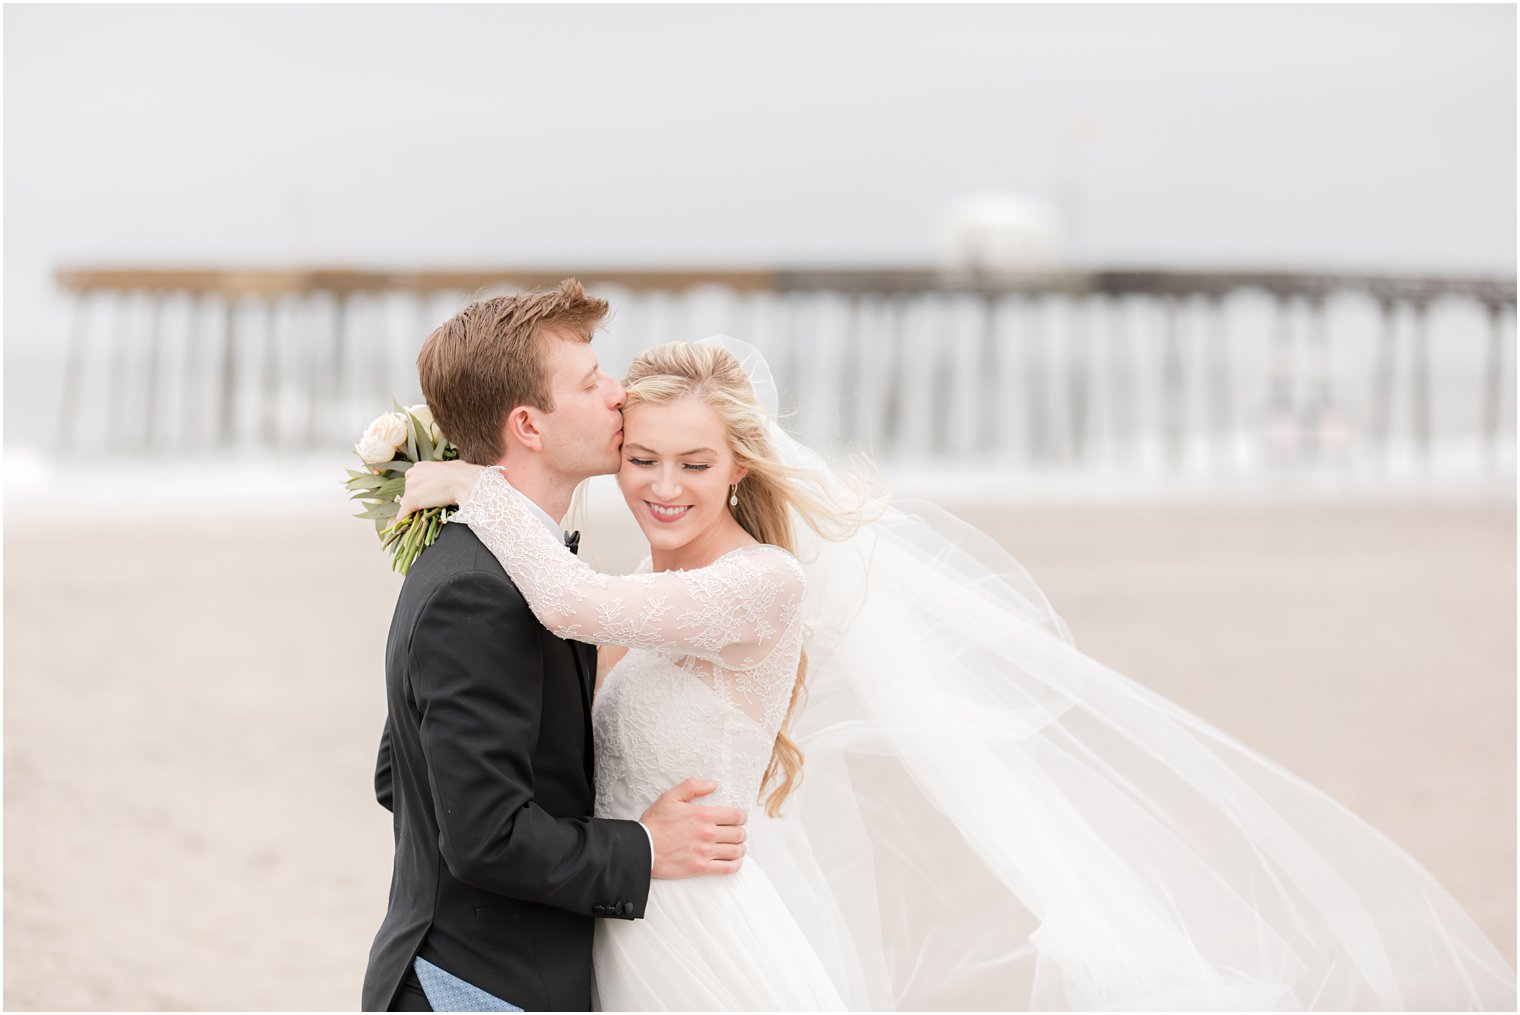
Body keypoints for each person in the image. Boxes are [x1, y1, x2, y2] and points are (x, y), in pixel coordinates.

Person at [400, 337, 1518, 1011]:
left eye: (693, 462)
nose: (662, 485)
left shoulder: (759, 586)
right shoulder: (644, 593)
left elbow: (567, 602)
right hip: (622, 913)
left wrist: (461, 484)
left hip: (697, 925)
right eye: (641, 459)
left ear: (740, 461)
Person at [362, 283, 749, 1014]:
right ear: (529, 426)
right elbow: (483, 836)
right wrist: (644, 844)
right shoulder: (480, 591)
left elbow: (398, 774)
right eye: (590, 380)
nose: (618, 393)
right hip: (478, 988)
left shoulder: (490, 565)